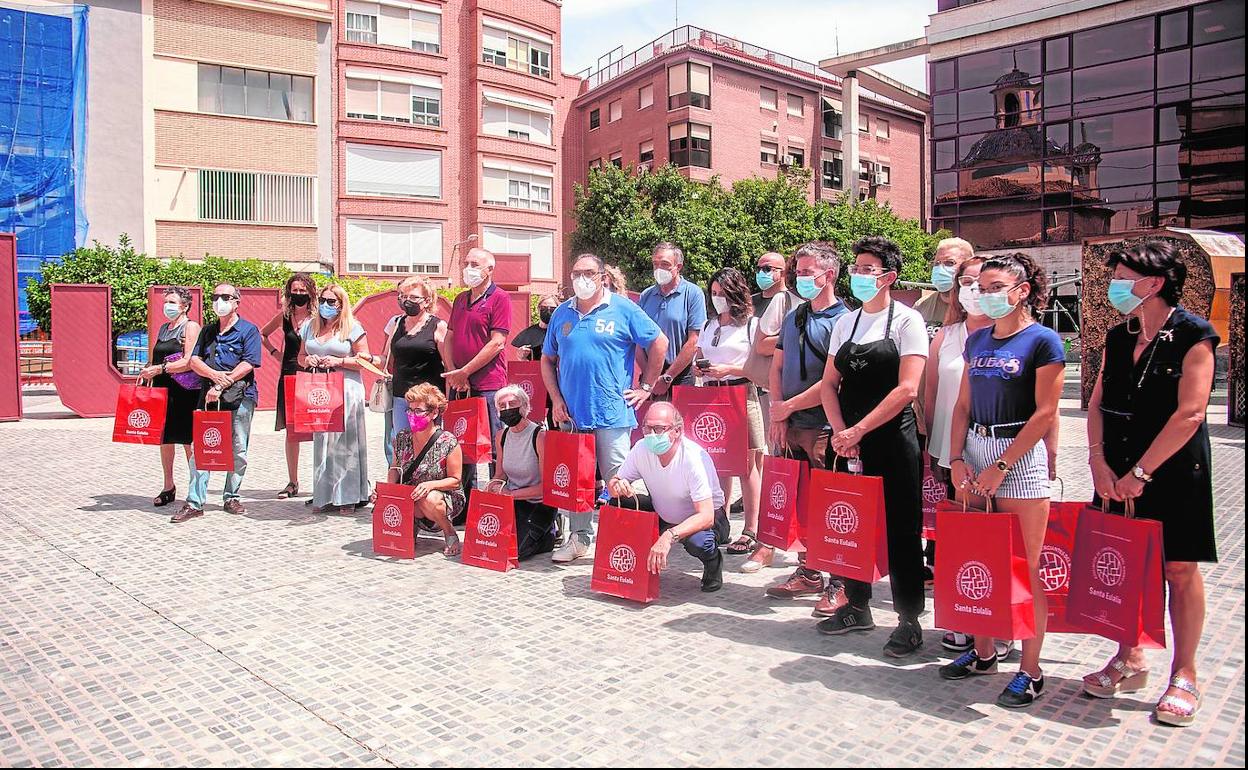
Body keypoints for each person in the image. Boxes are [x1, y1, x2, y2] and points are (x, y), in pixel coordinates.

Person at [1082, 240, 1219, 727]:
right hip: (1115, 471)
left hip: (1172, 471)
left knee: (1179, 569)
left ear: (1154, 283)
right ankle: (1130, 656)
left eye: (1122, 276)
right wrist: (1098, 463)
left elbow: (1191, 413)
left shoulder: (1194, 335)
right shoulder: (1119, 337)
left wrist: (1142, 473)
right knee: (1129, 565)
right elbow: (1095, 402)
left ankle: (1185, 673)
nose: (1114, 285)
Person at [940, 252, 1064, 709]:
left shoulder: (1043, 341)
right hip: (975, 451)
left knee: (1024, 569)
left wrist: (1004, 465)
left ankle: (1030, 670)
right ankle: (984, 650)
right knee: (980, 557)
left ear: (1023, 290)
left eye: (995, 288)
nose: (985, 296)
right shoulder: (979, 340)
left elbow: (1045, 412)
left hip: (1019, 458)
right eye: (982, 288)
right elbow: (961, 406)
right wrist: (956, 458)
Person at [818, 236, 930, 658]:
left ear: (889, 277)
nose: (859, 275)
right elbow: (830, 384)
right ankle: (857, 604)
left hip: (890, 437)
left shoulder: (907, 321)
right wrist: (841, 432)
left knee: (902, 528)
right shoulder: (845, 323)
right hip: (846, 440)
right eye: (857, 267)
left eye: (869, 269)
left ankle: (909, 618)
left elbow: (907, 388)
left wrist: (860, 430)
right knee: (851, 524)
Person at [541, 253, 668, 563]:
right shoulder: (562, 314)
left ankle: (626, 538)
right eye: (575, 273)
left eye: (588, 273)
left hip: (612, 411)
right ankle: (580, 538)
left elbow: (659, 342)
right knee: (576, 479)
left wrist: (646, 388)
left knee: (618, 478)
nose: (581, 279)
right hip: (572, 414)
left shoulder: (623, 309)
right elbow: (547, 358)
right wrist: (556, 400)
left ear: (602, 277)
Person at [763, 242, 847, 596]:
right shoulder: (793, 316)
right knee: (802, 504)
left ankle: (840, 580)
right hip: (793, 426)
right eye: (797, 271)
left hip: (825, 428)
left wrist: (789, 407)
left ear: (828, 275)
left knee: (830, 505)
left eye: (807, 272)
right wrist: (778, 410)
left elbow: (834, 382)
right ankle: (809, 571)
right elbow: (777, 366)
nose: (800, 278)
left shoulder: (845, 320)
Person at [607, 402, 730, 592]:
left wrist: (669, 536)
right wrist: (617, 486)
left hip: (707, 520)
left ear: (677, 431)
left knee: (698, 542)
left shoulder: (693, 458)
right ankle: (633, 562)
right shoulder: (641, 449)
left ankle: (713, 562)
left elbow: (706, 516)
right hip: (663, 512)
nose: (651, 434)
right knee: (618, 503)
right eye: (647, 427)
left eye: (659, 429)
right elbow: (615, 484)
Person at [172, 284, 262, 522]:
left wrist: (224, 382)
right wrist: (214, 376)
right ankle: (194, 502)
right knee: (202, 449)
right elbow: (194, 360)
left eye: (225, 297)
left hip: (240, 397)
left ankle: (231, 496)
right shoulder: (208, 331)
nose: (219, 301)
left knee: (238, 448)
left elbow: (249, 362)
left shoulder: (248, 330)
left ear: (236, 302)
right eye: (215, 297)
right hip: (208, 397)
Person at [694, 267, 764, 562]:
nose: (718, 299)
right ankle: (720, 521)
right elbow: (700, 354)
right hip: (712, 395)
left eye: (723, 294)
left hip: (741, 393)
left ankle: (751, 529)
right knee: (718, 462)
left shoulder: (752, 325)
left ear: (735, 293)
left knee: (747, 465)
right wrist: (701, 368)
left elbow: (757, 367)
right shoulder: (710, 324)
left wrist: (730, 370)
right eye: (714, 294)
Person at [298, 283, 372, 513]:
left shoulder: (352, 327)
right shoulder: (310, 326)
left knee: (345, 443)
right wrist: (308, 361)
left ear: (341, 305)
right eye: (323, 301)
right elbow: (300, 356)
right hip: (319, 389)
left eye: (332, 302)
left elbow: (365, 359)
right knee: (323, 443)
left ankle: (348, 496)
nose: (326, 306)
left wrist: (338, 361)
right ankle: (324, 494)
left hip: (346, 388)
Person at [139, 286, 201, 507]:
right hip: (162, 389)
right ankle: (168, 486)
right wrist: (149, 369)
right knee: (165, 438)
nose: (168, 306)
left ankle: (195, 490)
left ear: (185, 305)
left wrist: (160, 369)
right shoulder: (164, 328)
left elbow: (189, 361)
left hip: (184, 390)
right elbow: (156, 356)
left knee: (187, 440)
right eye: (166, 302)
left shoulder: (191, 327)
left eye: (173, 302)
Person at [387, 383, 465, 556]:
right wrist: (387, 492)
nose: (412, 415)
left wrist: (430, 485)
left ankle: (449, 531)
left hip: (442, 496)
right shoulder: (402, 437)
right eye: (410, 410)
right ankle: (410, 526)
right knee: (402, 498)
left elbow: (455, 480)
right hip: (411, 494)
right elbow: (394, 468)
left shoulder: (448, 441)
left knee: (429, 498)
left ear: (434, 413)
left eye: (418, 411)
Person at [485, 385, 557, 559]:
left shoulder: (539, 436)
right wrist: (491, 488)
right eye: (502, 406)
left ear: (524, 406)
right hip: (513, 501)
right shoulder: (501, 435)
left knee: (515, 551)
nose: (508, 409)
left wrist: (510, 494)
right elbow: (500, 475)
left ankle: (548, 533)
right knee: (491, 544)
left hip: (538, 502)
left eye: (513, 404)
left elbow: (547, 487)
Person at [446, 247, 511, 438]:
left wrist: (465, 371)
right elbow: (449, 337)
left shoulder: (500, 298)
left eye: (474, 265)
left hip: (488, 384)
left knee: (494, 443)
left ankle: (497, 470)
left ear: (489, 269)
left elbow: (497, 343)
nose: (468, 268)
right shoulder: (460, 299)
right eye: (465, 264)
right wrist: (454, 373)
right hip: (460, 384)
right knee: (461, 442)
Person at [381, 277, 451, 456]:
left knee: (427, 448)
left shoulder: (438, 326)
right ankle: (403, 483)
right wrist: (365, 358)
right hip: (400, 397)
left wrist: (448, 402)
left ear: (427, 300)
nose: (407, 301)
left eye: (413, 297)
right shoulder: (397, 324)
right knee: (402, 446)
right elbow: (385, 359)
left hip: (428, 401)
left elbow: (448, 368)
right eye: (403, 296)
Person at [261, 273, 315, 499]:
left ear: (311, 292)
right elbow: (262, 334)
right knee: (292, 433)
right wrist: (277, 354)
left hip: (314, 376)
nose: (299, 294)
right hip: (290, 376)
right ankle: (293, 482)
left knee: (320, 429)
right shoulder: (285, 316)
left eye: (303, 290)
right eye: (295, 290)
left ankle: (322, 483)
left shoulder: (318, 316)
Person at [638, 242, 706, 398]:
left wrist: (668, 377)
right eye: (655, 264)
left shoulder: (693, 294)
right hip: (649, 381)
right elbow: (637, 343)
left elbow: (694, 340)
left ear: (678, 267)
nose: (658, 269)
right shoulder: (646, 296)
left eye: (665, 264)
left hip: (681, 378)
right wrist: (651, 377)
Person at [752, 250, 802, 426]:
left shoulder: (800, 302)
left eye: (766, 269)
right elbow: (761, 346)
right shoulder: (751, 303)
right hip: (766, 384)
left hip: (800, 388)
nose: (760, 273)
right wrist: (798, 337)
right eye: (757, 269)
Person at [914, 237, 974, 341]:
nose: (940, 268)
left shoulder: (977, 305)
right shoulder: (922, 306)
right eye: (936, 263)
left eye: (950, 263)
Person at [511, 294, 561, 361]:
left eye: (552, 309)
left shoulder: (561, 332)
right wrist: (521, 357)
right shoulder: (529, 334)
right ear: (538, 309)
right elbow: (525, 363)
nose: (548, 311)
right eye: (544, 308)